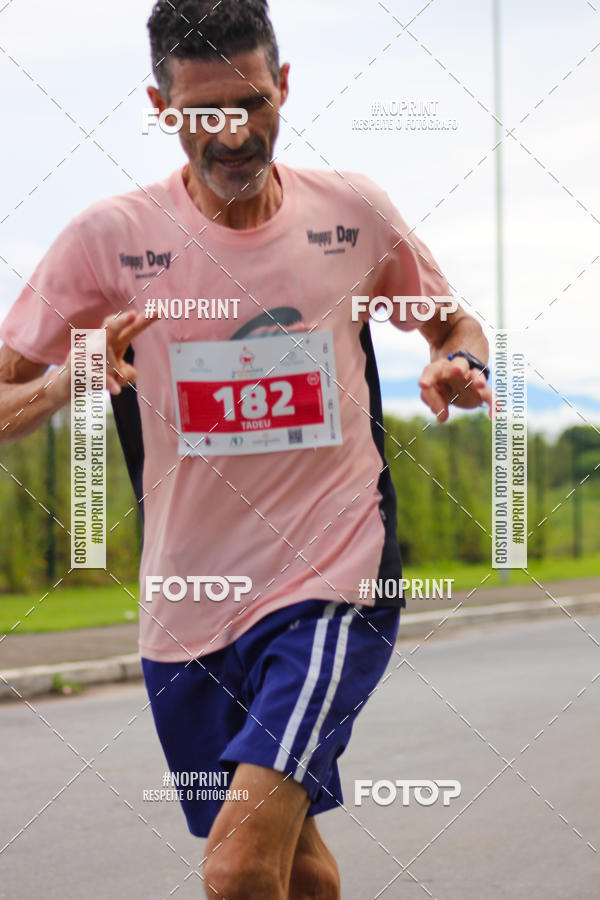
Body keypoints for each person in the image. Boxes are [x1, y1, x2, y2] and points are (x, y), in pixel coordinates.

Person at [0, 1, 492, 896]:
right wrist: (69, 376)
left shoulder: (350, 212)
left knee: (234, 867)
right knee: (292, 868)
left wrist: (456, 361)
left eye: (252, 103)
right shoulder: (109, 238)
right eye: (201, 113)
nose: (233, 133)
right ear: (160, 107)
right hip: (187, 607)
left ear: (284, 88)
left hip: (334, 576)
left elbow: (452, 321)